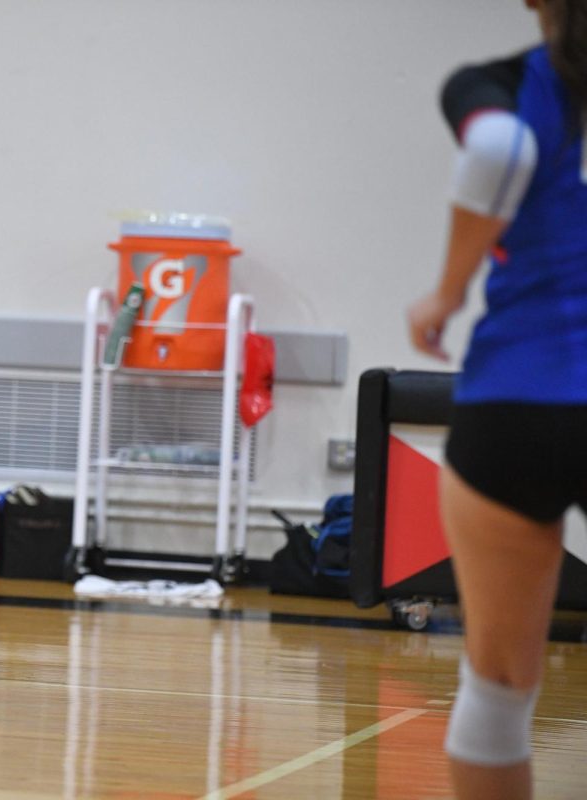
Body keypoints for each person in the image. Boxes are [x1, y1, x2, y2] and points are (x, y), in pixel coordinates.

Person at [406, 2, 587, 797]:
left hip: (516, 400)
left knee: (498, 689)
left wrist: (447, 292)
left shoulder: (508, 83)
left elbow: (498, 144)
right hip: (525, 393)